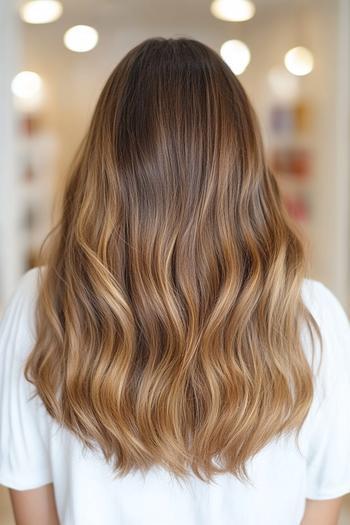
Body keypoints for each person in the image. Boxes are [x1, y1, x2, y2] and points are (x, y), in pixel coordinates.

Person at [1, 37, 350, 525]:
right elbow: (321, 508)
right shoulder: (313, 318)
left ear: (109, 166)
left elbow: (33, 514)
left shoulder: (41, 304)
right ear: (243, 169)